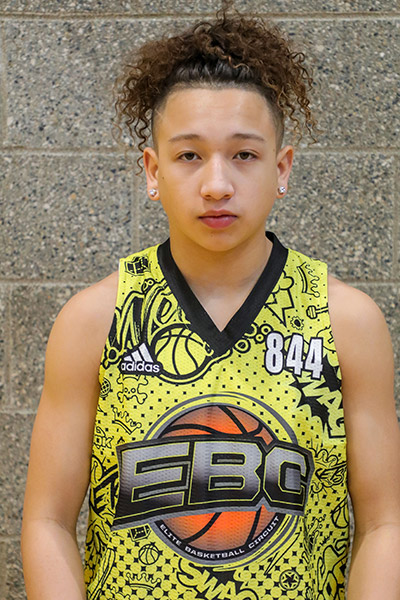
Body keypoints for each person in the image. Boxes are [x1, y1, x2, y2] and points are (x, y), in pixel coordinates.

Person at [21, 6, 400, 600]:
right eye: (189, 155)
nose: (217, 184)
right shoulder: (94, 319)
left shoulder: (345, 321)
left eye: (244, 155)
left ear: (281, 168)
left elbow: (384, 525)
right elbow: (47, 520)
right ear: (153, 171)